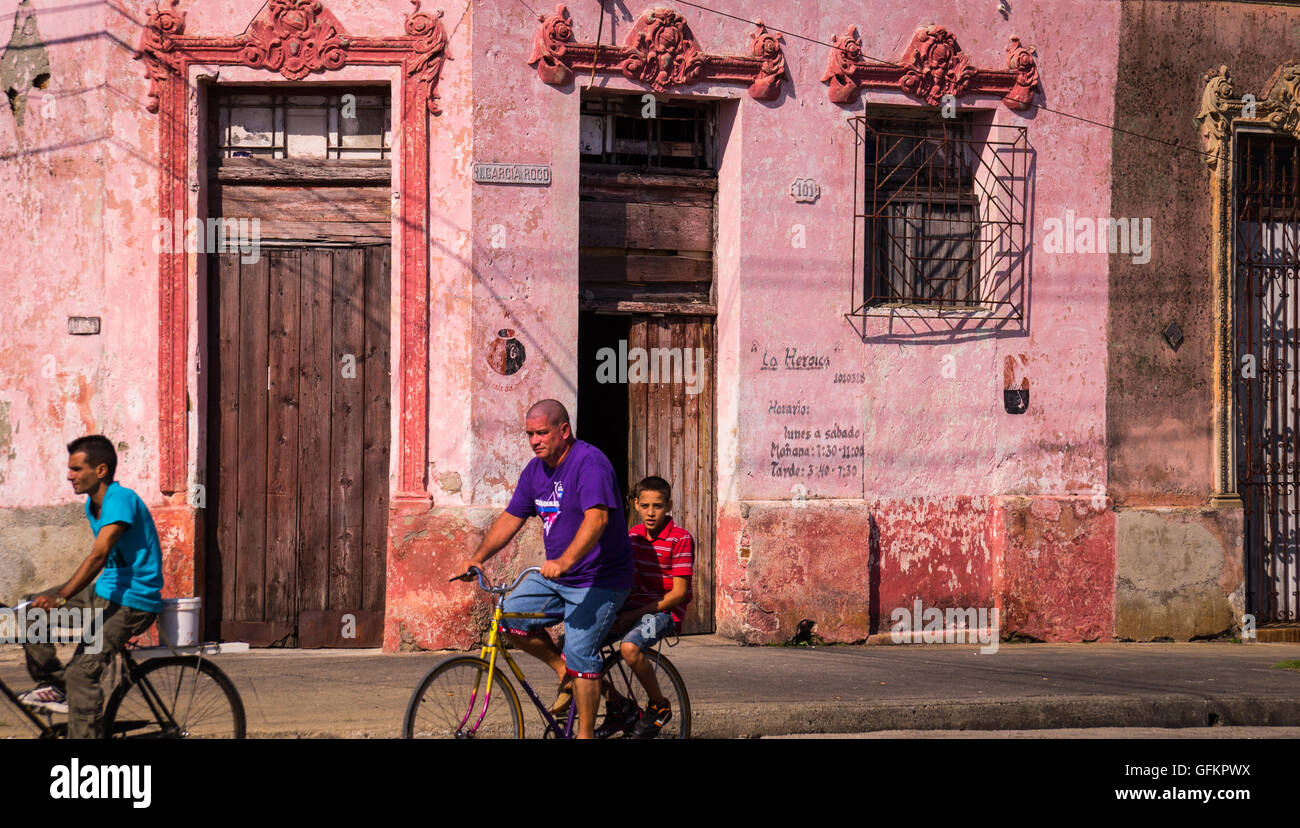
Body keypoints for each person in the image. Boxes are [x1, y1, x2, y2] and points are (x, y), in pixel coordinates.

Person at [458, 399, 633, 739]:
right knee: (507, 617)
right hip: (558, 577)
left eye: (541, 432)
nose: (534, 440)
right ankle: (562, 670)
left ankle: (584, 735)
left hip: (599, 579)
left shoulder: (589, 463)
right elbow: (512, 517)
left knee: (582, 654)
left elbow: (597, 519)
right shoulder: (535, 472)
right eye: (529, 434)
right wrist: (478, 557)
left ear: (564, 431)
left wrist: (566, 560)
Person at [19, 435, 163, 738]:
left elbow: (99, 554)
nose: (69, 475)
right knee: (30, 611)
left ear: (100, 470)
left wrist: (61, 596)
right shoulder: (91, 505)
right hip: (104, 592)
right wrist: (52, 600)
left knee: (82, 673)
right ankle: (55, 685)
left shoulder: (120, 499)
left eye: (76, 469)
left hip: (132, 603)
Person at [598, 475, 694, 738]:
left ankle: (658, 705)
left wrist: (634, 615)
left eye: (658, 506)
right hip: (631, 609)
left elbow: (679, 593)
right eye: (646, 506)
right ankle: (617, 704)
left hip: (663, 613)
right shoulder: (633, 537)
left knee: (629, 647)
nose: (651, 513)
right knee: (577, 648)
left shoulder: (680, 539)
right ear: (637, 505)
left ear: (669, 505)